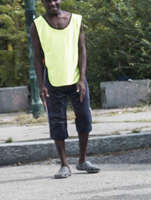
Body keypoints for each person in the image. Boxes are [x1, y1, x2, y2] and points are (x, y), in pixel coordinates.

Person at [30, 0, 100, 179]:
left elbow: (82, 50)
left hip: (77, 80)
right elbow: (37, 57)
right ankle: (64, 164)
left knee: (84, 118)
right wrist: (41, 84)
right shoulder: (37, 25)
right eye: (47, 0)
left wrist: (82, 78)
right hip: (53, 81)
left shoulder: (76, 20)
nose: (52, 3)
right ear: (43, 3)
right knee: (57, 123)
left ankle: (82, 161)